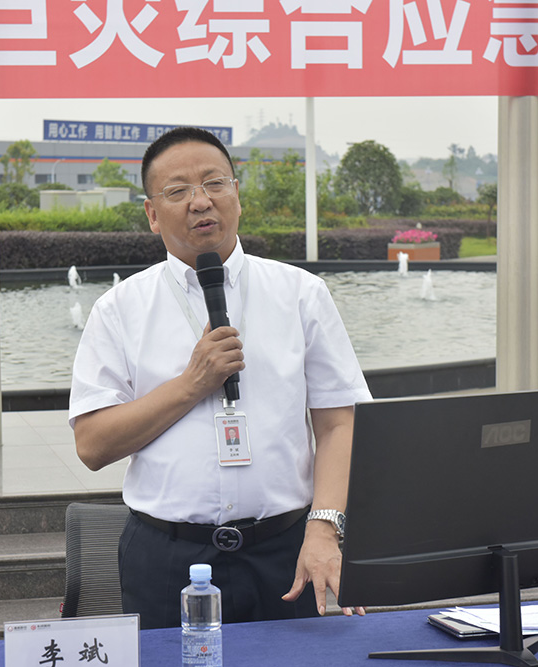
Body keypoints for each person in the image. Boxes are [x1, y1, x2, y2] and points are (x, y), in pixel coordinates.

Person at [69, 127, 372, 629]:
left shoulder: (300, 293)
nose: (200, 201)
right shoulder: (118, 309)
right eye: (178, 190)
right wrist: (191, 384)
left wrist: (324, 529)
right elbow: (93, 445)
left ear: (237, 195)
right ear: (151, 214)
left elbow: (339, 422)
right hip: (165, 557)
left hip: (286, 550)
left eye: (215, 183)